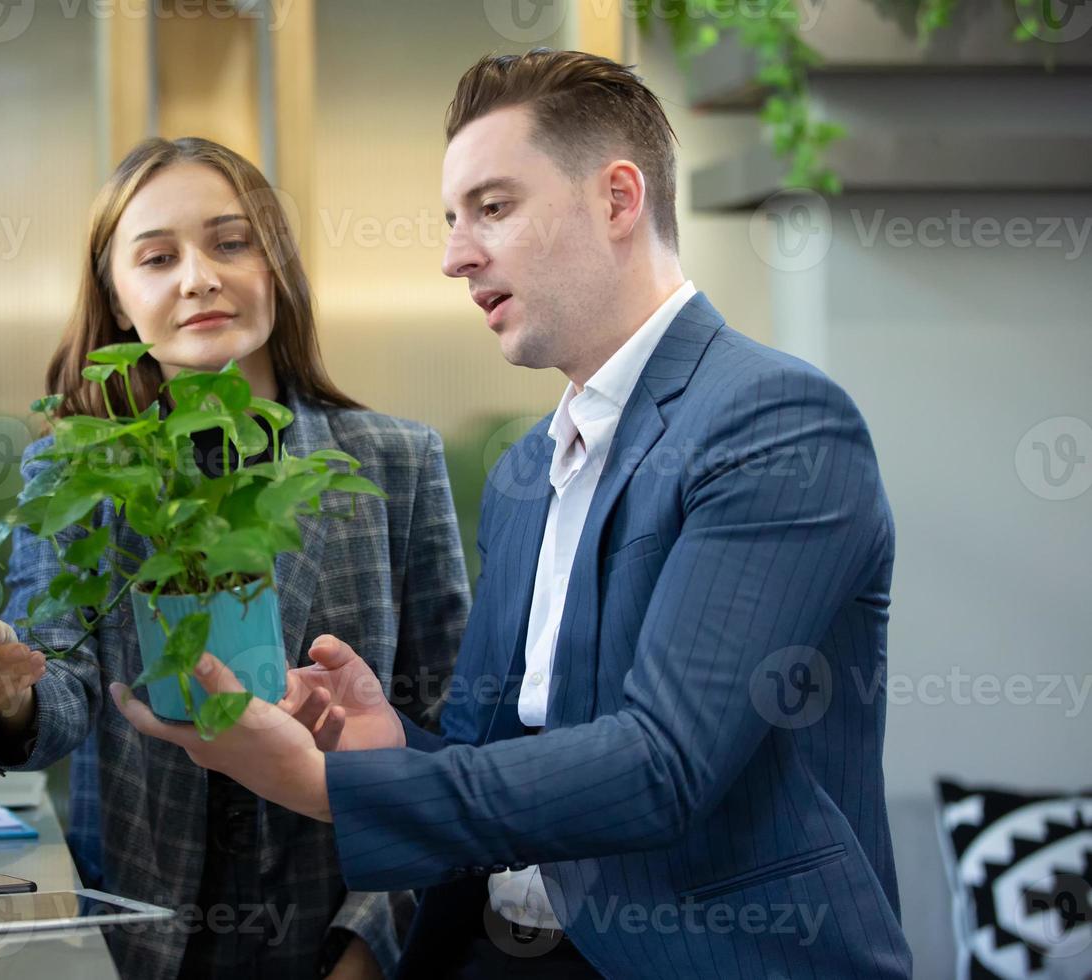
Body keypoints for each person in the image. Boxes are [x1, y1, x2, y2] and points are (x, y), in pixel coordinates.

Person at [112, 50, 913, 979]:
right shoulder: (526, 471)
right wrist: (385, 737)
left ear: (618, 200)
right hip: (494, 950)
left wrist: (335, 787)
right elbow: (496, 756)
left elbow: (663, 765)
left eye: (492, 208)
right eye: (452, 221)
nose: (455, 256)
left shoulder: (774, 422)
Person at [0, 136, 472, 980]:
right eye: (156, 257)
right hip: (144, 933)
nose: (198, 277)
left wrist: (369, 943)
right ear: (115, 298)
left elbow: (449, 727)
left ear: (276, 264)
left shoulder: (392, 462)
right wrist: (10, 692)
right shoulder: (77, 469)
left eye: (230, 241)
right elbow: (58, 695)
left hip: (337, 926)